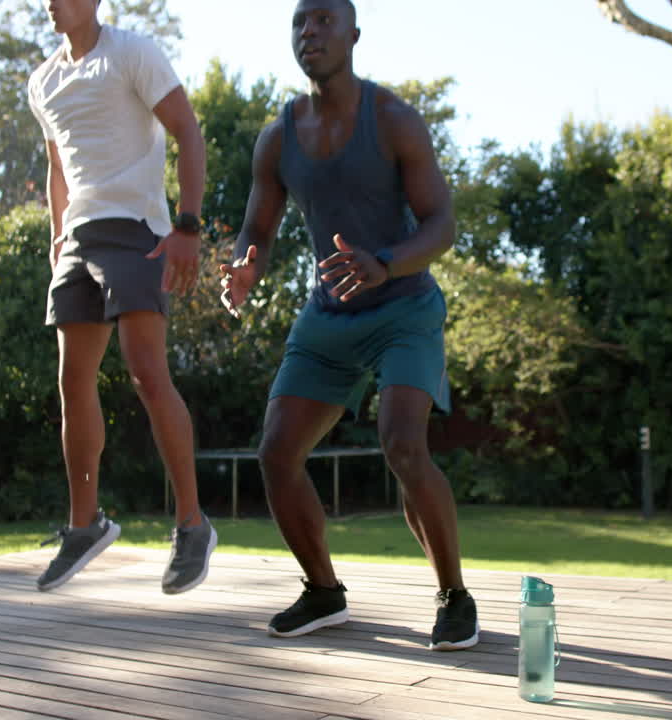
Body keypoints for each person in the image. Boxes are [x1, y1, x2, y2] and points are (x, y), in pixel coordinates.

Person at [219, 0, 478, 650]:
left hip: (403, 306)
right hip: (328, 313)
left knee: (402, 445)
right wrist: (245, 263)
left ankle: (454, 595)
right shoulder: (278, 137)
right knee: (276, 453)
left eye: (324, 20)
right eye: (299, 22)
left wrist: (384, 264)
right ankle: (323, 592)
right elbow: (257, 225)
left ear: (354, 35)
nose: (310, 31)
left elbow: (442, 223)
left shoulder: (393, 119)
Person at [27, 0, 216, 595]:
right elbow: (58, 167)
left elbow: (188, 130)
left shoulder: (133, 51)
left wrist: (188, 226)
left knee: (146, 374)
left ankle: (192, 523)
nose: (52, 4)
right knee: (71, 382)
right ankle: (84, 525)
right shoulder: (44, 80)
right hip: (78, 242)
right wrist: (56, 236)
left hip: (137, 231)